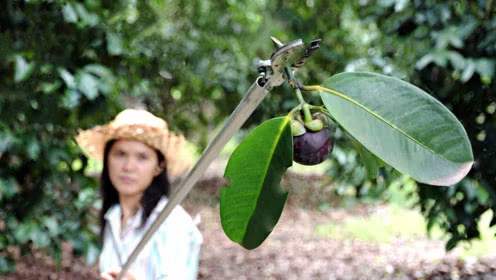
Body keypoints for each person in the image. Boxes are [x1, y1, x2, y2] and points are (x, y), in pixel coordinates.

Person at [75, 109, 202, 280]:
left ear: (159, 166)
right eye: (120, 154)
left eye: (142, 157)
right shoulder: (113, 217)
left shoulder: (173, 224)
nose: (128, 166)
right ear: (107, 160)